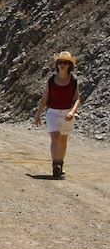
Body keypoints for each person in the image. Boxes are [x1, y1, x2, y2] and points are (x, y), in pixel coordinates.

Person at [34, 51, 81, 180]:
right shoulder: (51, 80)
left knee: (63, 140)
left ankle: (60, 162)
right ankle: (56, 165)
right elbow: (45, 98)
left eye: (65, 63)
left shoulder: (74, 81)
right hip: (52, 113)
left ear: (69, 65)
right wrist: (38, 115)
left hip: (67, 113)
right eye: (60, 62)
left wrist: (72, 112)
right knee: (55, 137)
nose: (62, 65)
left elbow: (77, 99)